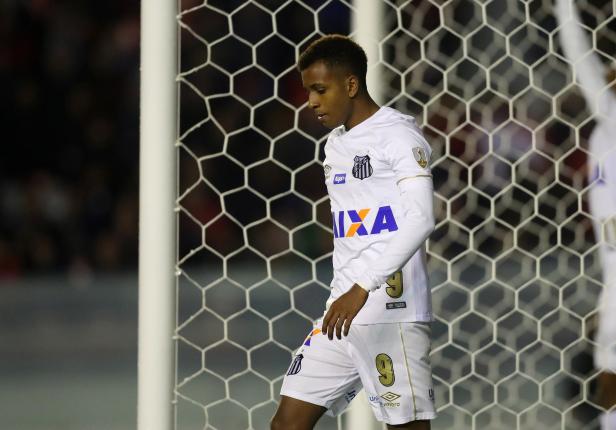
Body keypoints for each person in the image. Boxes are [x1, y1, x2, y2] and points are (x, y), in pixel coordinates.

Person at [270, 34, 436, 430]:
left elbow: (420, 218)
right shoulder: (334, 146)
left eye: (319, 89)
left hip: (389, 310)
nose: (311, 101)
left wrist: (361, 287)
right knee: (287, 424)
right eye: (309, 90)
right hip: (340, 312)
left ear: (351, 84)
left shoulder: (398, 135)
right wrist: (349, 292)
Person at [556, 1, 616, 428]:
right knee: (606, 366)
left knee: (608, 366)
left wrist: (563, 8)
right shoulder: (605, 126)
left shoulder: (612, 117)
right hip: (611, 271)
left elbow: (581, 60)